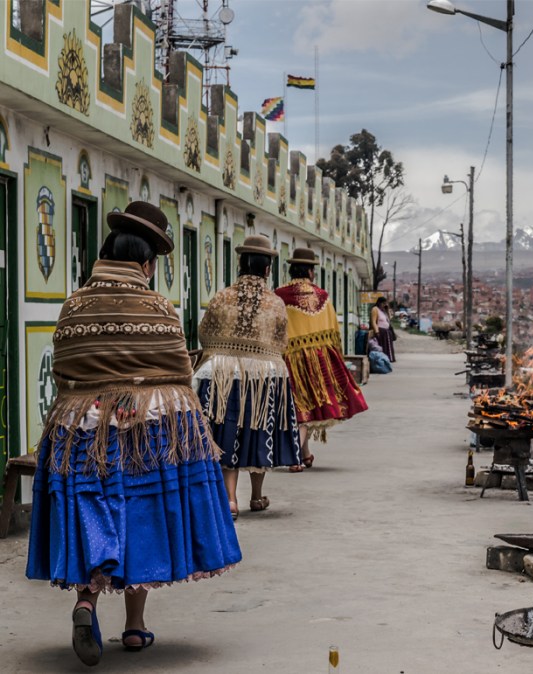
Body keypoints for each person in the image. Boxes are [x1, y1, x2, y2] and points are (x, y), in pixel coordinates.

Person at [26, 201, 241, 667]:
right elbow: (180, 369)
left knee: (95, 510)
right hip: (149, 428)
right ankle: (134, 628)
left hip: (82, 426)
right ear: (145, 265)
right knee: (139, 519)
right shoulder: (158, 307)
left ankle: (86, 603)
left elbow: (62, 369)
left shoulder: (74, 305)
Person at [194, 234, 301, 518]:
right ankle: (256, 496)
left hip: (221, 374)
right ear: (267, 269)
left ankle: (230, 499)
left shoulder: (222, 296)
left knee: (228, 429)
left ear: (240, 264)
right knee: (257, 431)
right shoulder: (274, 302)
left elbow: (204, 332)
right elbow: (281, 341)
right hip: (264, 376)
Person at [274, 248, 368, 469]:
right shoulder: (322, 296)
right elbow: (332, 330)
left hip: (285, 358)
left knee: (297, 408)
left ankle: (305, 454)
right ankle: (296, 456)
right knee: (306, 410)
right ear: (310, 271)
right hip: (316, 359)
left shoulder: (279, 295)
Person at [369, 296, 396, 363]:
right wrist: (376, 331)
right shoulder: (375, 309)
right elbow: (373, 321)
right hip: (380, 331)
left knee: (388, 347)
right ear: (379, 303)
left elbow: (389, 319)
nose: (384, 305)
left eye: (385, 303)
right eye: (383, 303)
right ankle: (382, 360)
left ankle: (389, 359)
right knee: (382, 346)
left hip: (386, 331)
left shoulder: (383, 311)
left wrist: (387, 310)